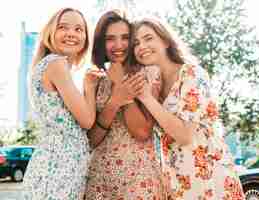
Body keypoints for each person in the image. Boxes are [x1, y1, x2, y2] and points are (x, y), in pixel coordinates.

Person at [133, 18, 245, 200]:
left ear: (166, 41)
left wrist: (146, 98)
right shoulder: (153, 84)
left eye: (148, 38)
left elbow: (185, 135)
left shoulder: (192, 74)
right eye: (136, 43)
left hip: (208, 177)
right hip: (178, 182)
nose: (141, 46)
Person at [85, 10, 165, 199]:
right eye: (110, 38)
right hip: (100, 182)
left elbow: (142, 132)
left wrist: (121, 84)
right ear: (101, 44)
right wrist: (113, 102)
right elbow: (91, 140)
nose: (118, 45)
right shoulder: (95, 80)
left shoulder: (149, 74)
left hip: (139, 181)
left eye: (125, 38)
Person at [23, 8, 96, 200]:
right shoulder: (56, 64)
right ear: (51, 32)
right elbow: (87, 121)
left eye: (79, 29)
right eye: (63, 27)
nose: (71, 33)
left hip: (52, 166)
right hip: (59, 170)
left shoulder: (46, 66)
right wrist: (90, 86)